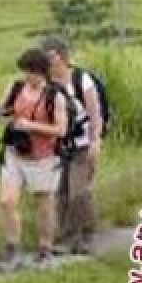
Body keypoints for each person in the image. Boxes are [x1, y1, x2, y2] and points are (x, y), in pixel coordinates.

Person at [0, 48, 68, 270]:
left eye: (30, 72)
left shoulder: (55, 97)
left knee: (44, 205)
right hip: (14, 153)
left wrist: (30, 125)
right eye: (24, 71)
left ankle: (45, 248)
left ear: (41, 72)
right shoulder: (16, 88)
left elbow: (61, 130)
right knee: (7, 201)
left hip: (43, 158)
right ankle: (12, 251)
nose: (26, 76)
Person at [42, 36, 103, 255]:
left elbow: (95, 113)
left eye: (52, 56)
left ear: (63, 56)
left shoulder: (81, 79)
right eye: (46, 58)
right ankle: (68, 237)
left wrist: (96, 141)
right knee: (61, 193)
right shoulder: (47, 84)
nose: (49, 62)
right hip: (59, 146)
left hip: (83, 144)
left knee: (79, 190)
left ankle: (86, 234)